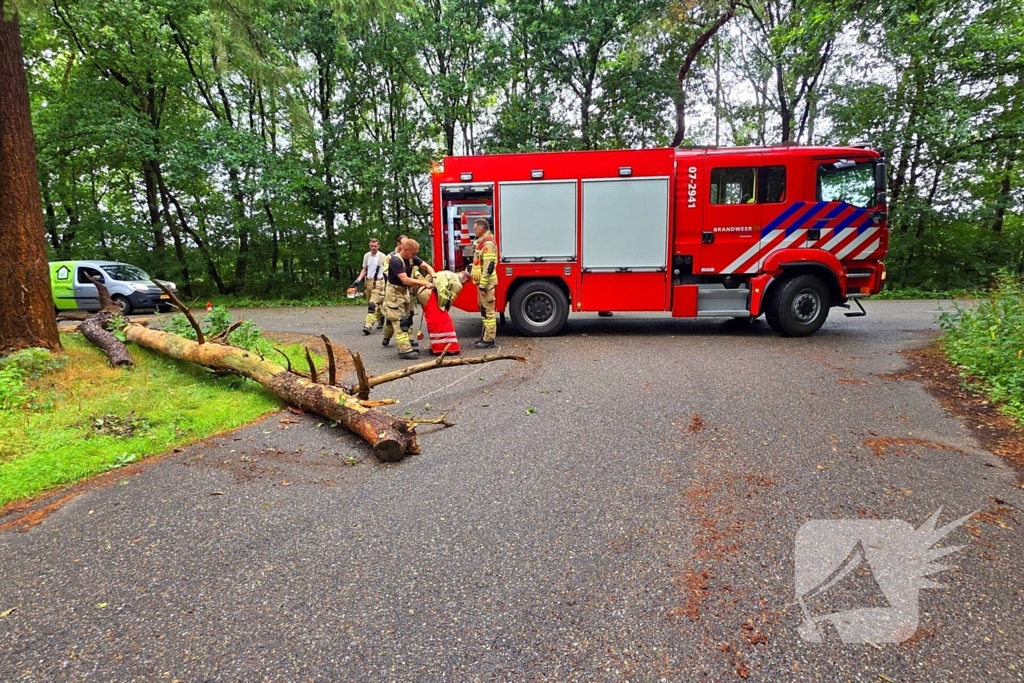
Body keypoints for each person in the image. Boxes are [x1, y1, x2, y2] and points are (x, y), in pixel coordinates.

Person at [382, 238, 435, 359]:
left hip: (404, 292)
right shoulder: (395, 260)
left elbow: (426, 266)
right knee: (400, 321)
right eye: (413, 253)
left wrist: (434, 276)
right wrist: (425, 283)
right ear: (405, 250)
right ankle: (404, 350)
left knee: (406, 319)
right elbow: (405, 279)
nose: (415, 256)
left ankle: (398, 341)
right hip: (394, 293)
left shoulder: (411, 258)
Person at [414, 270, 472, 355]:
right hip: (429, 293)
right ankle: (443, 348)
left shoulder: (449, 274)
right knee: (443, 321)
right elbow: (450, 300)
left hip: (424, 291)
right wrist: (445, 311)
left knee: (434, 320)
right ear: (466, 280)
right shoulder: (458, 284)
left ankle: (436, 346)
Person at [470, 218, 498, 348]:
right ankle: (485, 336)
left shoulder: (487, 244)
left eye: (475, 229)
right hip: (483, 283)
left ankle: (489, 340)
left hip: (486, 285)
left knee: (488, 312)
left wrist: (483, 285)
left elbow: (489, 266)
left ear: (481, 229)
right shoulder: (482, 243)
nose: (474, 231)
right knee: (484, 311)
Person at [352, 238, 387, 334]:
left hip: (379, 283)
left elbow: (387, 271)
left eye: (375, 246)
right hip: (368, 282)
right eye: (371, 246)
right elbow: (365, 269)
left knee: (372, 304)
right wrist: (358, 280)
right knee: (373, 303)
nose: (373, 248)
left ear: (378, 246)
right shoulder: (366, 256)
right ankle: (381, 317)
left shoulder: (383, 257)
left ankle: (368, 326)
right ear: (369, 245)